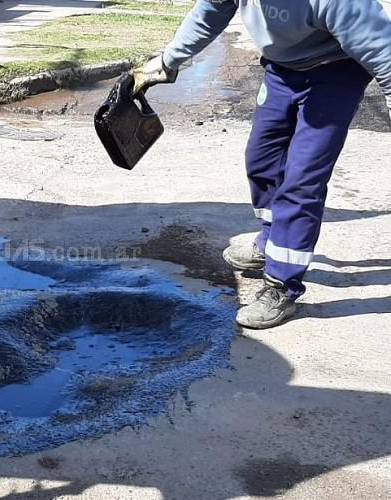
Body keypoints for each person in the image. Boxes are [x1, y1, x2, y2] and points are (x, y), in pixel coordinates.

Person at [134, 0, 391, 329]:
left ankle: (282, 286)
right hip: (282, 69)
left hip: (336, 72)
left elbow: (382, 49)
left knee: (302, 178)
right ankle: (272, 240)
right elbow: (209, 13)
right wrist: (168, 62)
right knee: (261, 159)